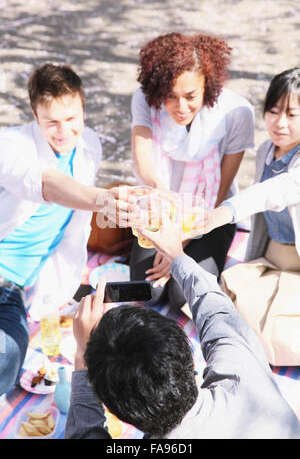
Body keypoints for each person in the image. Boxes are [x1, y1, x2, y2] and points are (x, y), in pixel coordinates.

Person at [65, 213, 300, 439]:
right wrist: (177, 255)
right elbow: (216, 310)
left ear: (118, 413)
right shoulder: (244, 371)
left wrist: (83, 355)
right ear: (190, 357)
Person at [0, 63, 130, 396]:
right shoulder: (11, 145)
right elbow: (47, 183)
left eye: (72, 119)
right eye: (52, 122)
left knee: (8, 356)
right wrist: (101, 199)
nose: (63, 132)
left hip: (15, 292)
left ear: (84, 108)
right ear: (34, 114)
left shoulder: (89, 144)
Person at [129, 32, 255, 310]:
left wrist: (179, 240)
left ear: (208, 85)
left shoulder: (236, 112)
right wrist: (165, 222)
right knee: (147, 291)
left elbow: (222, 187)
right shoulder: (144, 99)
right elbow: (142, 161)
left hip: (209, 215)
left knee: (183, 295)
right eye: (170, 96)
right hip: (158, 209)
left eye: (190, 96)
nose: (181, 107)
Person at [197, 67, 300, 366]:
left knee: (273, 336)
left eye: (292, 114)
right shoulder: (267, 149)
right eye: (273, 111)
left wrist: (224, 212)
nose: (280, 123)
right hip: (273, 257)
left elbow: (274, 191)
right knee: (228, 305)